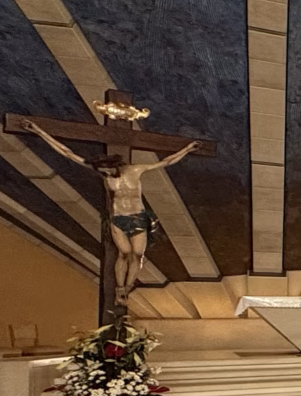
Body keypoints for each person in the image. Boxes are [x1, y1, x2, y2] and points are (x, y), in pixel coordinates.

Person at [24, 121, 196, 297]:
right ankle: (120, 287)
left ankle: (128, 286)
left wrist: (187, 149)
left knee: (137, 255)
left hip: (137, 217)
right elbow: (68, 153)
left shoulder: (135, 170)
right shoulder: (104, 173)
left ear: (115, 165)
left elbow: (166, 161)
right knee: (124, 253)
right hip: (118, 217)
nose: (106, 174)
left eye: (108, 171)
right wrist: (39, 131)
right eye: (103, 172)